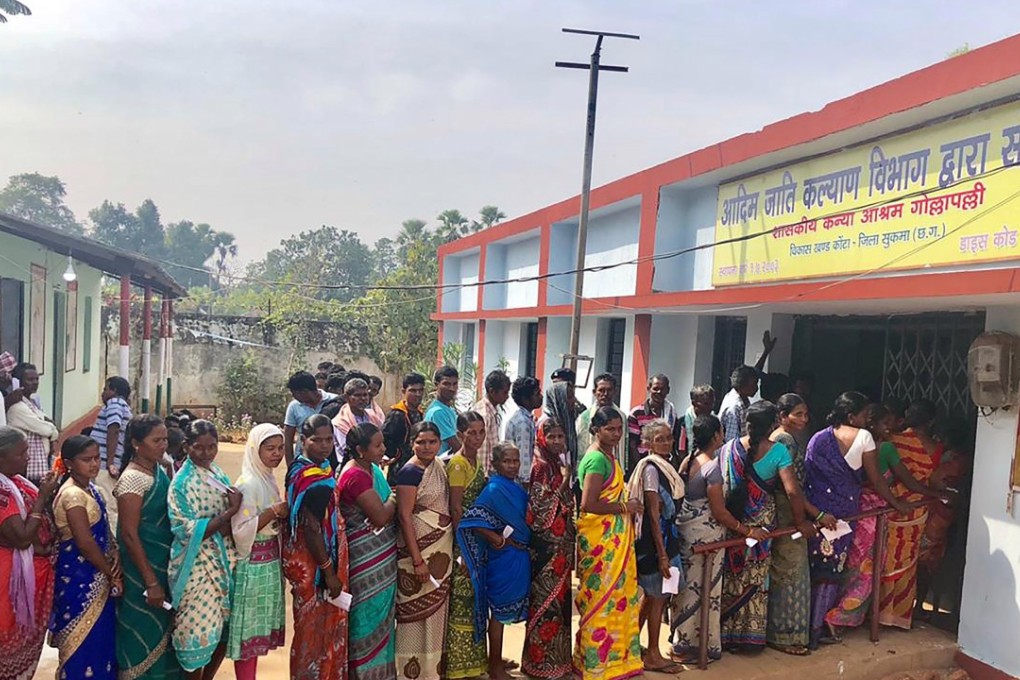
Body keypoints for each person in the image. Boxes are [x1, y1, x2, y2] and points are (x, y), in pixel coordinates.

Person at [825, 404, 938, 636]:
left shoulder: (847, 443)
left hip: (854, 509)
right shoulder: (885, 449)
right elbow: (908, 482)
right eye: (886, 423)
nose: (893, 427)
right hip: (874, 515)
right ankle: (839, 618)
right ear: (873, 425)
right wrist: (933, 496)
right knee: (868, 570)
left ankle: (832, 615)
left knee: (849, 566)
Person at [719, 400, 815, 653]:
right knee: (756, 582)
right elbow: (793, 492)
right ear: (773, 423)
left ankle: (726, 635)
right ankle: (750, 639)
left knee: (733, 577)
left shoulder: (728, 448)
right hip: (761, 526)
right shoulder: (778, 452)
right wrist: (801, 522)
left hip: (735, 524)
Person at [804, 391, 896, 647]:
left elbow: (808, 476)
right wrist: (897, 503)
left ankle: (806, 629)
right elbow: (876, 479)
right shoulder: (865, 437)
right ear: (851, 415)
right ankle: (819, 629)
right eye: (865, 414)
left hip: (818, 513)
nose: (868, 419)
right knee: (833, 571)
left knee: (815, 569)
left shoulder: (817, 438)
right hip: (844, 515)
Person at [573, 406, 643, 680]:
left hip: (613, 540)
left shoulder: (608, 456)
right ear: (596, 430)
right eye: (609, 429)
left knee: (616, 597)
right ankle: (597, 663)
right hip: (601, 542)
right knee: (602, 598)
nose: (616, 434)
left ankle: (617, 659)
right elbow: (588, 504)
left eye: (619, 429)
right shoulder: (597, 460)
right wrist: (626, 507)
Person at [167, 420, 240, 677]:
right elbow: (184, 529)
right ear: (186, 447)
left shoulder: (215, 473)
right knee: (195, 636)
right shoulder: (182, 484)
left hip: (222, 562)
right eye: (199, 447)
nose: (206, 453)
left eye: (212, 447)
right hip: (196, 567)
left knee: (221, 633)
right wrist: (231, 511)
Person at [114, 414, 182, 679]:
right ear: (136, 443)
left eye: (165, 439)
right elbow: (129, 535)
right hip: (142, 572)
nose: (163, 445)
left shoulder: (157, 469)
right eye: (156, 440)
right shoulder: (132, 480)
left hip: (163, 564)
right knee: (142, 630)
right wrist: (151, 581)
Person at [458, 442, 532, 680]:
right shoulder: (493, 490)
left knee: (508, 610)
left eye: (515, 461)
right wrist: (495, 538)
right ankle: (495, 667)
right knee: (499, 613)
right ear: (496, 464)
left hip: (520, 555)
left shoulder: (515, 486)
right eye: (506, 461)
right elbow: (472, 520)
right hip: (503, 558)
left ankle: (497, 659)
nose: (512, 466)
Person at [284, 414, 349, 680]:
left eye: (328, 440)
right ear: (302, 440)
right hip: (314, 564)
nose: (324, 446)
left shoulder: (317, 468)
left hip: (320, 558)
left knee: (323, 625)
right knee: (313, 629)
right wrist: (329, 571)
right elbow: (311, 528)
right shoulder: (311, 477)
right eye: (316, 440)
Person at [50, 435, 121, 679]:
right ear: (69, 463)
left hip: (99, 573)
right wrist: (110, 574)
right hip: (80, 579)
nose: (93, 464)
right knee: (82, 642)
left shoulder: (93, 489)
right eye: (86, 459)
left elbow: (106, 534)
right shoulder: (71, 495)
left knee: (101, 640)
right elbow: (85, 543)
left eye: (97, 458)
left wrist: (115, 556)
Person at [766, 393, 831, 656]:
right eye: (798, 414)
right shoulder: (785, 441)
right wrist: (812, 516)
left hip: (784, 511)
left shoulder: (779, 439)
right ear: (783, 417)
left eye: (806, 414)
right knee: (792, 575)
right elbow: (791, 490)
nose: (804, 419)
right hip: (788, 513)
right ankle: (786, 636)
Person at [338, 423, 399, 680]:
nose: (383, 448)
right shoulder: (355, 476)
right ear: (360, 450)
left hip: (381, 556)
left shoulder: (371, 469)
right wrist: (395, 497)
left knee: (382, 616)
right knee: (367, 614)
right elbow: (381, 515)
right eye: (377, 445)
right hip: (365, 559)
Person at [229, 424, 289, 680]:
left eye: (280, 448)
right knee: (247, 633)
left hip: (268, 564)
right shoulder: (249, 484)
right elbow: (240, 530)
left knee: (258, 632)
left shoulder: (267, 478)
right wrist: (274, 512)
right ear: (255, 449)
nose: (276, 454)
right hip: (253, 567)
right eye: (270, 449)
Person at [394, 422, 453, 680]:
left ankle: (432, 671)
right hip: (416, 553)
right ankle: (410, 672)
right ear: (412, 444)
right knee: (412, 616)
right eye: (421, 442)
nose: (427, 447)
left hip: (441, 552)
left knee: (437, 612)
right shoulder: (410, 472)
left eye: (432, 442)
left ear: (440, 443)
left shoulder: (440, 467)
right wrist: (417, 561)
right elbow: (405, 517)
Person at [878, 399, 943, 630]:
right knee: (909, 562)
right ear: (932, 421)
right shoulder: (937, 449)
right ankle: (899, 616)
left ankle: (879, 613)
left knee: (885, 559)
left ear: (906, 416)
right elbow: (934, 480)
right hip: (918, 511)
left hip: (892, 507)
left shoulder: (892, 440)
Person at [670, 415, 729, 664]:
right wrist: (745, 530)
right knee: (704, 589)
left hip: (687, 531)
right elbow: (718, 511)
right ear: (716, 435)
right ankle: (698, 646)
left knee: (686, 587)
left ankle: (682, 641)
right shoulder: (712, 468)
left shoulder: (689, 459)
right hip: (706, 536)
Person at [628, 419, 685, 674]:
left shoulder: (665, 466)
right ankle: (652, 654)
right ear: (648, 443)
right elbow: (653, 514)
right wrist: (662, 555)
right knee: (658, 597)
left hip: (664, 536)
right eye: (659, 439)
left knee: (653, 597)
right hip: (654, 541)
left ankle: (632, 646)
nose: (665, 442)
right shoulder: (651, 468)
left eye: (668, 438)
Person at [0, 426, 57, 680]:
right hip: (8, 578)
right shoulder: (2, 493)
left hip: (30, 573)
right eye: (21, 453)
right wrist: (43, 497)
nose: (28, 458)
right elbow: (22, 538)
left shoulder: (16, 482)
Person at [522, 418, 575, 680]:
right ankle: (540, 664)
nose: (556, 441)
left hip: (561, 548)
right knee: (546, 604)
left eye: (560, 436)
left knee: (561, 605)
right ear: (543, 437)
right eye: (551, 436)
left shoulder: (557, 463)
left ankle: (559, 662)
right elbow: (540, 510)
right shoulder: (541, 465)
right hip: (546, 549)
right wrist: (564, 483)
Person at [446, 412, 489, 679]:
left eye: (481, 432)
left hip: (478, 539)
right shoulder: (459, 465)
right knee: (462, 599)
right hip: (465, 540)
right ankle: (459, 665)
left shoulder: (477, 462)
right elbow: (456, 508)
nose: (477, 438)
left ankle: (476, 660)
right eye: (471, 433)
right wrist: (463, 549)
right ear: (460, 435)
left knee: (476, 598)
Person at [916, 417, 971, 621]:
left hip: (936, 515)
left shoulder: (951, 459)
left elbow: (936, 480)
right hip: (947, 516)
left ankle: (916, 605)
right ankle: (920, 604)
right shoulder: (967, 458)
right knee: (931, 561)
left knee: (922, 560)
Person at [6, 363, 58, 485]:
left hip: (40, 462)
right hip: (28, 466)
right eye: (30, 380)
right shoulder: (17, 407)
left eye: (36, 379)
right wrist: (53, 430)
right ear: (18, 383)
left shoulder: (32, 402)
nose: (35, 383)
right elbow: (46, 429)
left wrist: (50, 426)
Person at [92, 375, 133, 528]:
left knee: (108, 503)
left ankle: (114, 542)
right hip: (114, 460)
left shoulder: (114, 403)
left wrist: (109, 462)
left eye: (105, 389)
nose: (103, 394)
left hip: (106, 463)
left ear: (114, 390)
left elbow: (113, 429)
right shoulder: (123, 406)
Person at [627, 374, 684, 475]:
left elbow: (674, 441)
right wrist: (640, 467)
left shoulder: (671, 414)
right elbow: (632, 445)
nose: (659, 392)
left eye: (663, 389)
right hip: (644, 465)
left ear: (668, 390)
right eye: (656, 388)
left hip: (666, 465)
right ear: (649, 389)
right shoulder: (636, 414)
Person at [283, 371, 338, 465]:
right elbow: (288, 438)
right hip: (304, 462)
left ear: (303, 392)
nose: (293, 397)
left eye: (294, 393)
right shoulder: (294, 406)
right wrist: (290, 466)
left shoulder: (334, 402)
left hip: (330, 462)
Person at [576, 373, 628, 470]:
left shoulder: (622, 417)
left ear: (615, 392)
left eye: (609, 390)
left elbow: (624, 446)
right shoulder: (584, 418)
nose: (605, 394)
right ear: (594, 392)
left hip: (614, 468)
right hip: (591, 467)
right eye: (601, 390)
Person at [382, 373, 426, 486]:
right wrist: (397, 455)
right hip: (400, 467)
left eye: (420, 390)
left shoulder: (419, 413)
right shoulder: (397, 414)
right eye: (413, 391)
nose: (417, 394)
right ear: (403, 391)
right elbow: (385, 439)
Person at [472, 370, 512, 475]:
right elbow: (481, 449)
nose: (507, 396)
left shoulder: (491, 410)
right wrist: (484, 475)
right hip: (484, 472)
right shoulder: (484, 414)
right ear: (492, 391)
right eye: (504, 392)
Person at [505, 376, 543, 487]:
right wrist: (526, 484)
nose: (541, 397)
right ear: (526, 399)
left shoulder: (525, 418)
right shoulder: (523, 422)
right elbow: (523, 456)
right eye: (536, 394)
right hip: (519, 483)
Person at [333, 378, 384, 455]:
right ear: (346, 397)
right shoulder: (340, 422)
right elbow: (347, 449)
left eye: (365, 395)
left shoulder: (373, 416)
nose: (363, 399)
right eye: (357, 395)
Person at [425, 365, 461, 457]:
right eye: (446, 384)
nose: (452, 389)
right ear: (436, 385)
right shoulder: (438, 412)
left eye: (454, 384)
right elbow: (456, 446)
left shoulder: (448, 409)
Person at [718, 366, 759, 444]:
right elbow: (731, 442)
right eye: (753, 384)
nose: (756, 388)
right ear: (742, 385)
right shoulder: (734, 406)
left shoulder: (744, 399)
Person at [541, 379, 576, 470]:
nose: (574, 401)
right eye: (569, 397)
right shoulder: (545, 421)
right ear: (558, 398)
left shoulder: (565, 420)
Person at [680, 384, 715, 464]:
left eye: (712, 403)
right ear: (694, 403)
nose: (711, 407)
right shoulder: (683, 423)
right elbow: (681, 451)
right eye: (706, 404)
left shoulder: (714, 423)